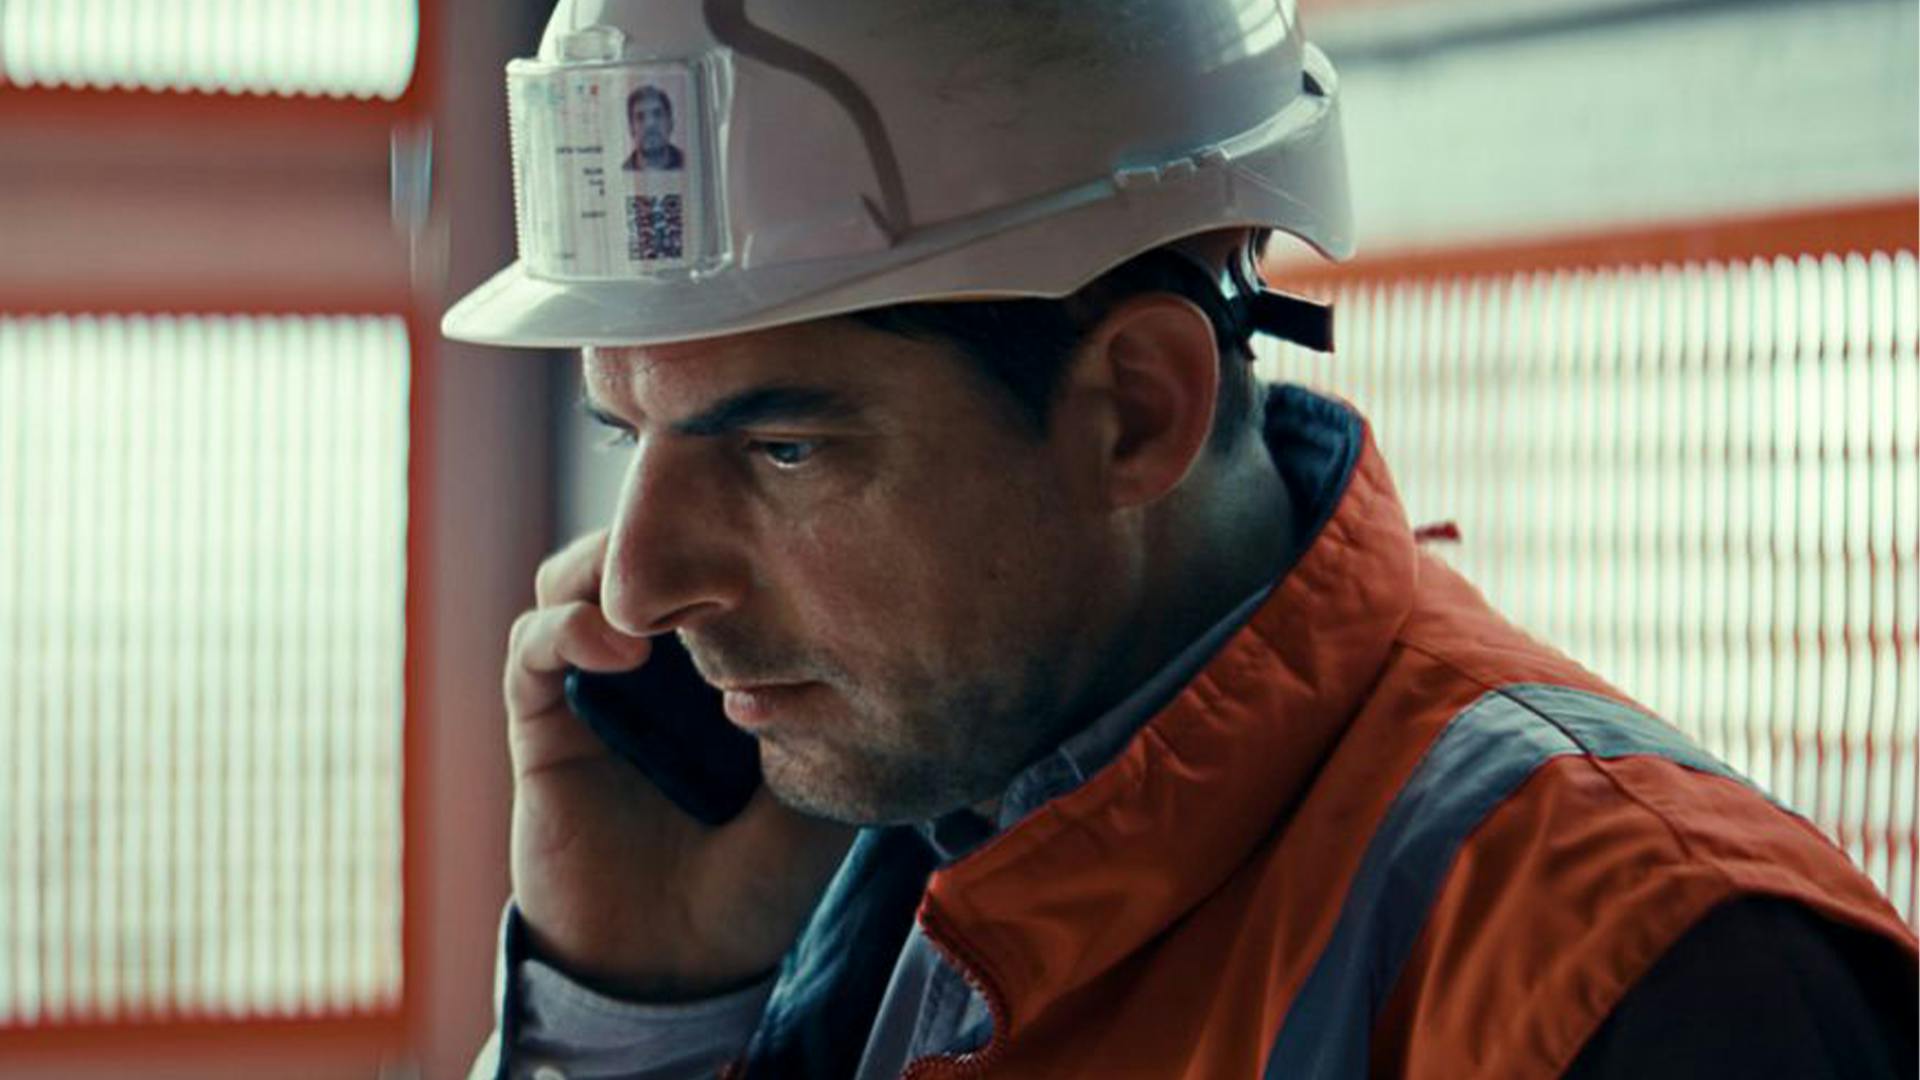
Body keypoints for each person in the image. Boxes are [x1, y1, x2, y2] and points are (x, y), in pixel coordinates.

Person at [444, 2, 1919, 1076]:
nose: (638, 582)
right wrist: (636, 1014)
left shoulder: (1639, 978)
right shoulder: (896, 828)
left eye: (783, 449)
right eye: (627, 434)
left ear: (1136, 412)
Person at [622, 85, 684, 173]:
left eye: (657, 114)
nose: (650, 124)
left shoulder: (688, 162)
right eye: (640, 117)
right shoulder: (623, 171)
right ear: (631, 128)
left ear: (670, 123)